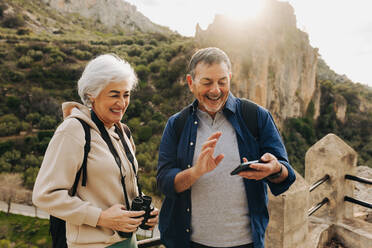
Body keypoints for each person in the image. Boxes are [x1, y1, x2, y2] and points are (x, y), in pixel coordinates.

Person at [157, 47, 296, 248]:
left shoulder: (256, 116)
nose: (216, 90)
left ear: (230, 78)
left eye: (222, 82)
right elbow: (164, 182)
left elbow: (286, 174)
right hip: (190, 243)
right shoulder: (176, 124)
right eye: (207, 82)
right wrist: (196, 172)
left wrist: (274, 169)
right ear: (190, 83)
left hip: (246, 243)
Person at [33, 54, 159, 248]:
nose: (122, 103)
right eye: (114, 95)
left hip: (127, 242)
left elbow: (120, 184)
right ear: (92, 95)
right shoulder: (72, 131)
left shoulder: (122, 131)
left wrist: (145, 210)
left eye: (126, 94)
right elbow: (44, 195)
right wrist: (100, 218)